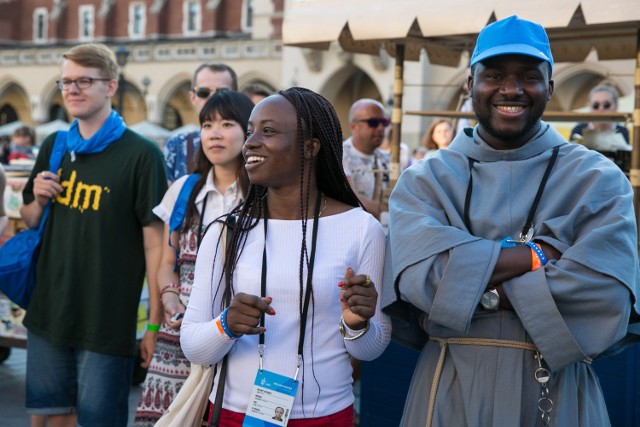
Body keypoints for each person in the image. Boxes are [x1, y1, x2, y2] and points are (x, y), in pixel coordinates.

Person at [382, 15, 639, 427]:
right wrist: (538, 255)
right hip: (448, 387)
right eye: (495, 74)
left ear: (550, 88)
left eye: (529, 76)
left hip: (555, 392)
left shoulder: (599, 180)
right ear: (470, 84)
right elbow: (420, 280)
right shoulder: (424, 180)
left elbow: (605, 297)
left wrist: (470, 288)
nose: (512, 89)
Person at [181, 87, 391, 426]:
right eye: (250, 131)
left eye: (268, 131)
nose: (250, 142)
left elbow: (371, 350)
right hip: (237, 414)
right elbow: (191, 345)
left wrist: (357, 323)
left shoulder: (362, 228)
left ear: (310, 147)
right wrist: (226, 326)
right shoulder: (226, 232)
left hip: (326, 415)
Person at [20, 43, 167, 427]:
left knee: (99, 421)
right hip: (50, 308)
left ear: (111, 86)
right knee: (48, 419)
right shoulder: (55, 145)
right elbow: (30, 219)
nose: (72, 89)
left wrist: (154, 322)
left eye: (84, 80)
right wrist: (36, 198)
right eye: (66, 81)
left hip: (107, 319)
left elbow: (155, 244)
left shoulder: (142, 155)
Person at [134, 90, 253, 426]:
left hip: (238, 336)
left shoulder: (263, 195)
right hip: (180, 334)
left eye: (227, 124)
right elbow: (167, 263)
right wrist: (170, 298)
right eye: (207, 124)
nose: (214, 133)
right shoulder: (185, 189)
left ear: (249, 131)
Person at [164, 63, 238, 183]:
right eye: (203, 93)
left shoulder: (251, 146)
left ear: (236, 97)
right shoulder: (176, 146)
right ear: (193, 98)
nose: (213, 99)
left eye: (222, 92)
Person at [342, 98, 390, 220]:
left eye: (384, 122)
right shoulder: (339, 156)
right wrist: (384, 209)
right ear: (353, 126)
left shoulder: (387, 160)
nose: (380, 128)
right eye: (373, 122)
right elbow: (349, 198)